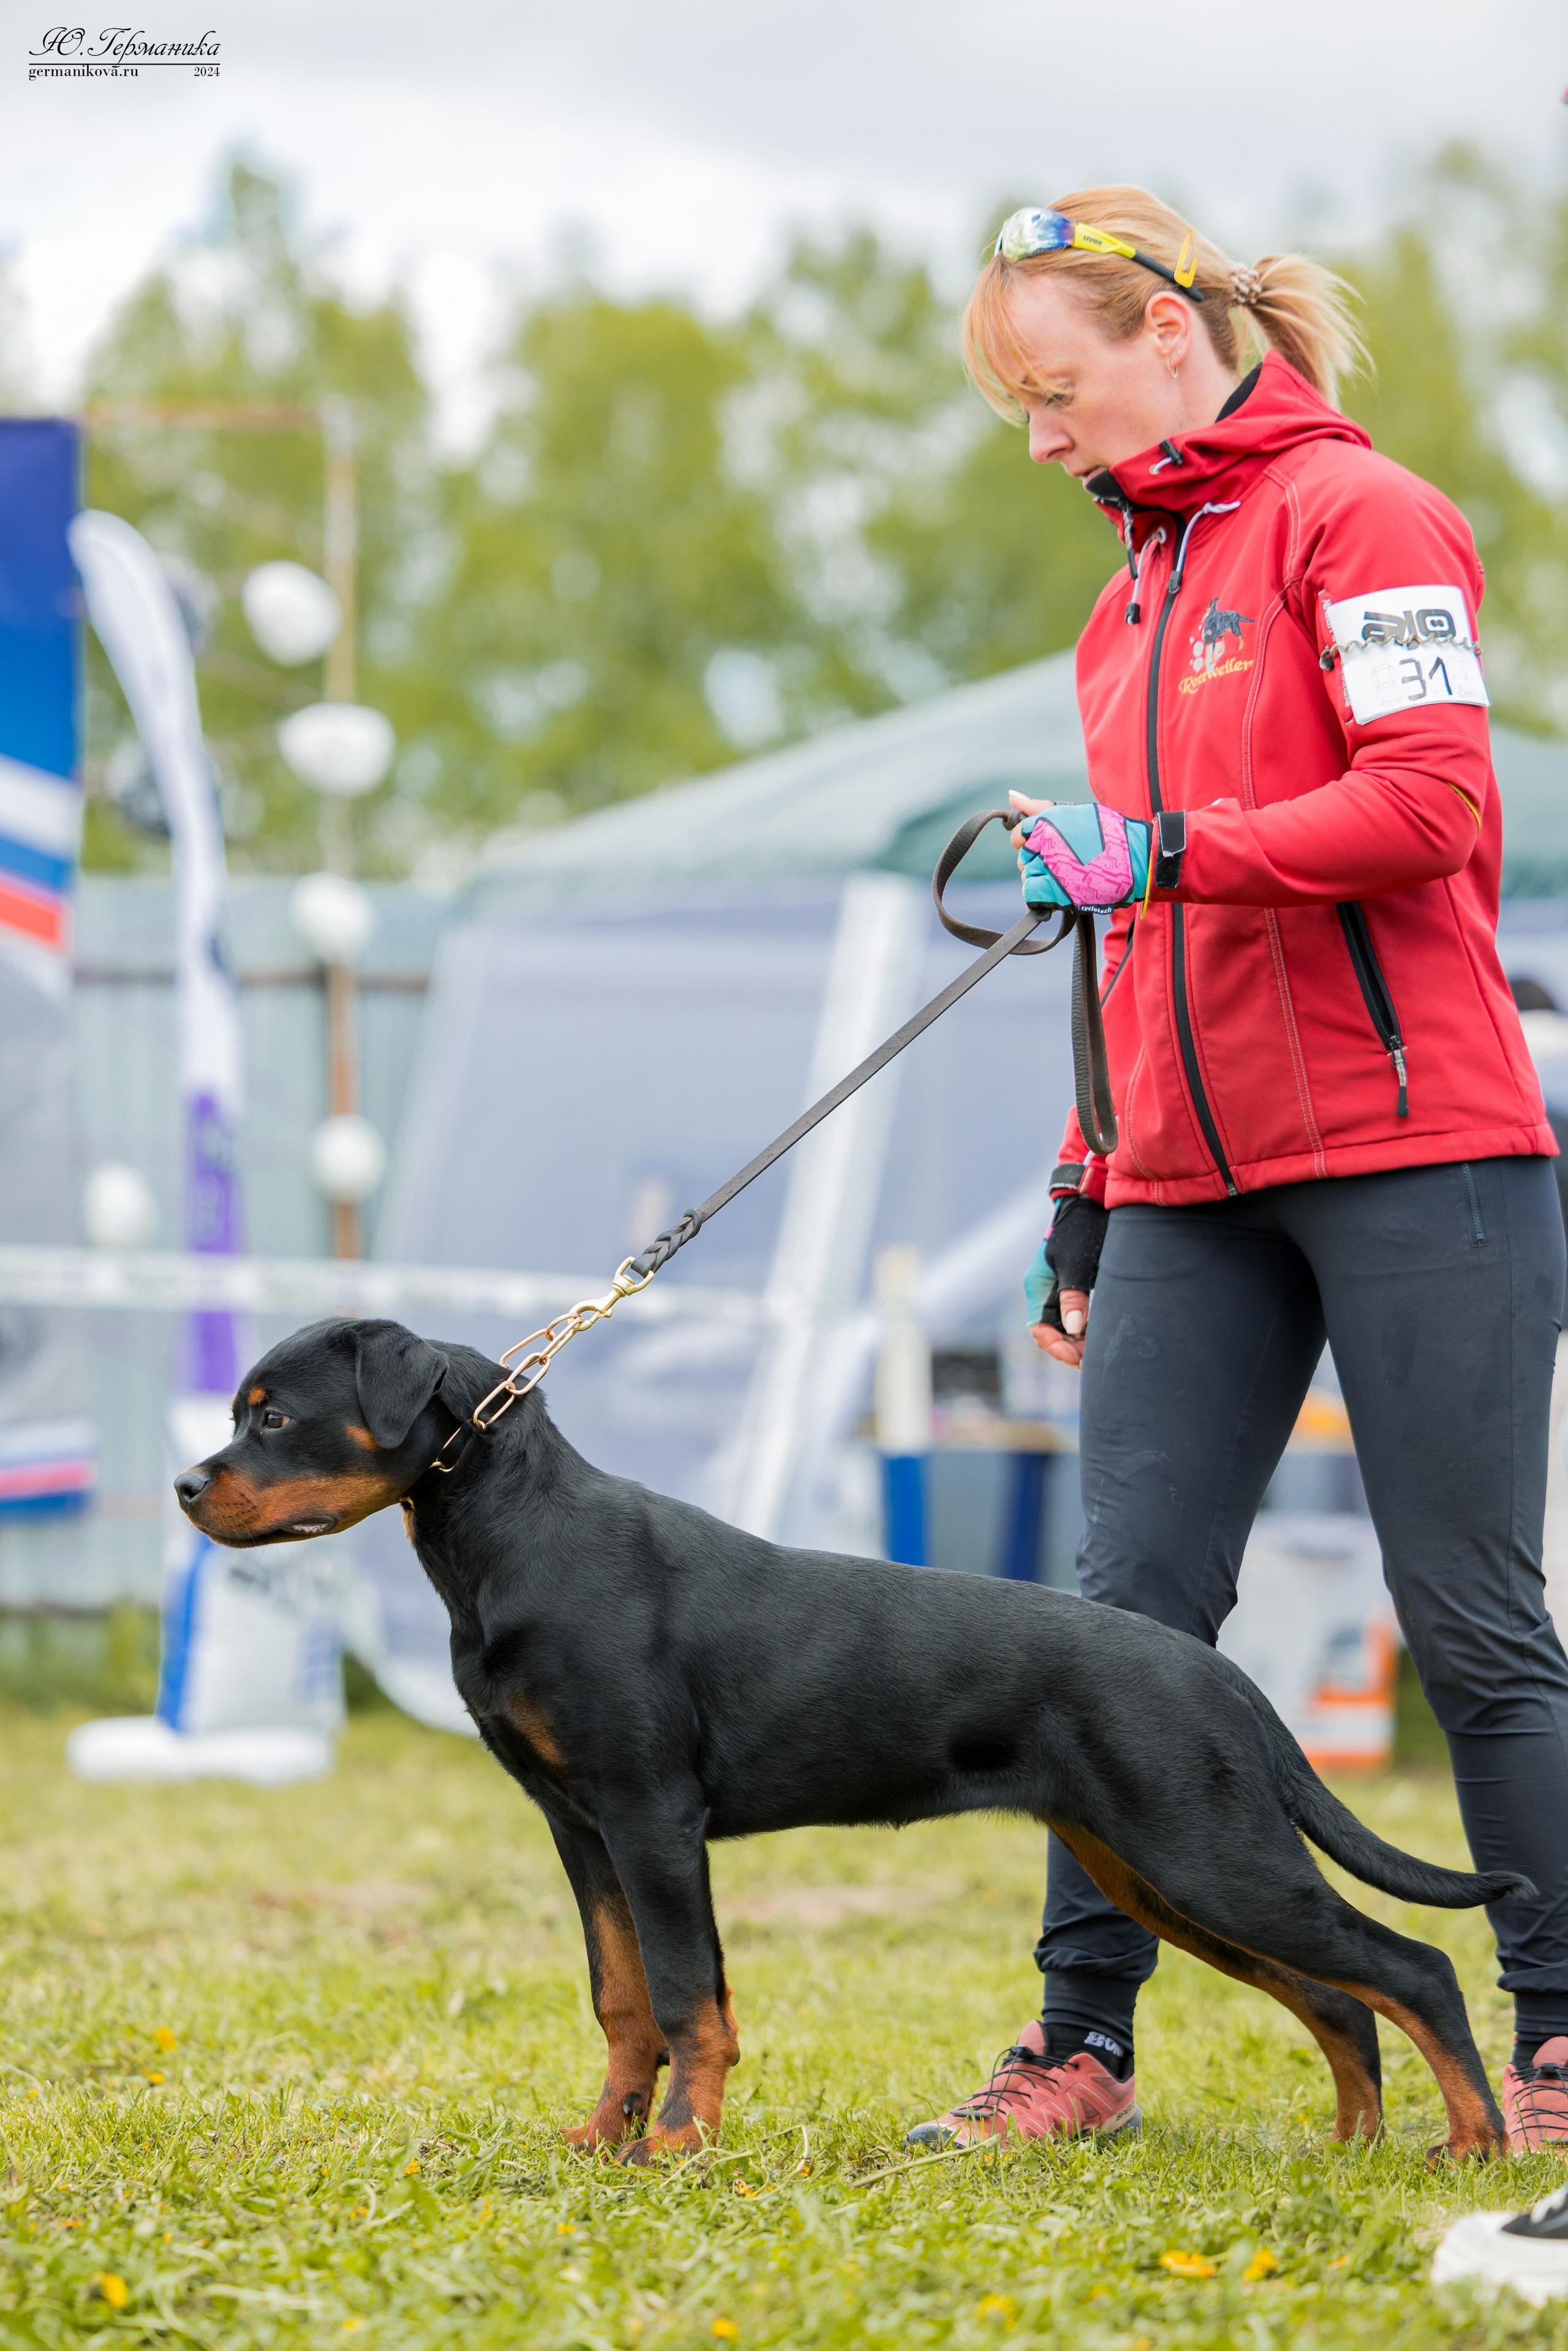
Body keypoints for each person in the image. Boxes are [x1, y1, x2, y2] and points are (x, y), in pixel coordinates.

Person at [907, 187, 1568, 2156]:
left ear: (1172, 339)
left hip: (1417, 1146)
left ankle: (1553, 2049)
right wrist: (1087, 1185)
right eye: (1018, 405)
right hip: (1186, 1182)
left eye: (1055, 388)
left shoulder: (1363, 515)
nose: (1038, 438)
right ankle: (1078, 2053)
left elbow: (1436, 805)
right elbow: (1132, 937)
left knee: (1470, 1620)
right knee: (1110, 1637)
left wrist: (1171, 849)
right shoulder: (1123, 603)